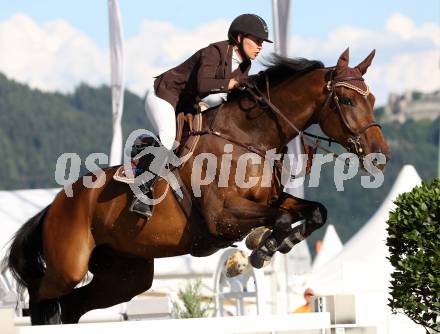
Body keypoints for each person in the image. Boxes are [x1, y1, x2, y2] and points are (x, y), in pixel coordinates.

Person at [130, 14, 272, 217]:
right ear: (239, 38)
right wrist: (231, 84)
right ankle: (141, 191)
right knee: (169, 138)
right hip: (164, 95)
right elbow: (204, 84)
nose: (260, 47)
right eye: (256, 41)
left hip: (188, 102)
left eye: (262, 43)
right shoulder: (214, 51)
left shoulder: (244, 65)